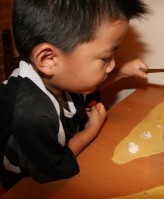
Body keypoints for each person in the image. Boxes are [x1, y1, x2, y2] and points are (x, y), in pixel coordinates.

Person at [0, 0, 150, 190]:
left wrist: (122, 71)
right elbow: (55, 167)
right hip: (22, 186)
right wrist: (92, 129)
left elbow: (86, 83)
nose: (111, 65)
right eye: (105, 58)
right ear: (48, 59)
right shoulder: (32, 115)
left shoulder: (54, 73)